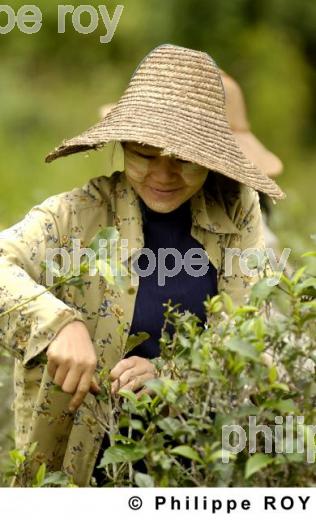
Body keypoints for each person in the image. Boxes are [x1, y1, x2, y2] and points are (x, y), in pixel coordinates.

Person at [0, 44, 285, 487]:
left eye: (185, 160)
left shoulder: (236, 214)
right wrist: (57, 324)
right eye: (145, 155)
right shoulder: (78, 215)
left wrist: (174, 380)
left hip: (196, 473)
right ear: (123, 146)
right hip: (78, 475)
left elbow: (252, 336)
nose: (164, 175)